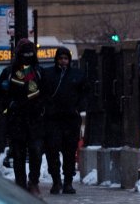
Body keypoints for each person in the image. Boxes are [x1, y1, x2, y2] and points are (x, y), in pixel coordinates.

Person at [0, 38, 46, 195]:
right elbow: (0, 94)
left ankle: (33, 181)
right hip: (17, 119)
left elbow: (44, 93)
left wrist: (41, 108)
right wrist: (10, 106)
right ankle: (20, 182)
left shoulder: (37, 72)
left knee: (35, 152)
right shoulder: (10, 72)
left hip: (34, 119)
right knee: (18, 153)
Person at [41, 46, 87, 194]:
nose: (63, 61)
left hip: (70, 120)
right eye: (60, 58)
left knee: (69, 152)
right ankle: (56, 181)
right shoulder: (48, 74)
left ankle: (68, 182)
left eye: (65, 58)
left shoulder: (77, 75)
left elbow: (85, 94)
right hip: (52, 119)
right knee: (52, 151)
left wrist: (77, 108)